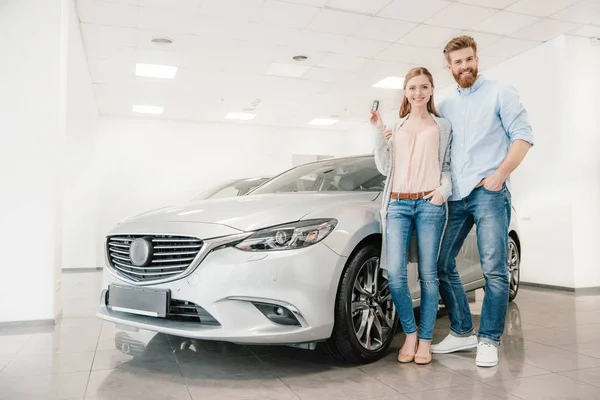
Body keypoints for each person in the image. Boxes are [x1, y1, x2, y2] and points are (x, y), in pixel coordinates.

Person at [430, 36, 534, 367]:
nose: (465, 67)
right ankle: (462, 331)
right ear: (449, 68)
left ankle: (488, 339)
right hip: (457, 196)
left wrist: (500, 174)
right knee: (441, 264)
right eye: (458, 62)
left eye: (469, 60)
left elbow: (523, 136)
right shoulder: (446, 104)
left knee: (494, 269)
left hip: (489, 191)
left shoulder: (501, 92)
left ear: (477, 59)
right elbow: (429, 137)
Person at [371, 67, 452, 365]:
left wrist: (443, 190)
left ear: (431, 90)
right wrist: (377, 131)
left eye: (424, 87)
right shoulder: (398, 125)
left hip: (430, 203)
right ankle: (410, 333)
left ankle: (426, 339)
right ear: (405, 92)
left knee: (429, 276)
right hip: (398, 205)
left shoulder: (442, 126)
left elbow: (447, 166)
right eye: (412, 88)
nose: (418, 92)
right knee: (394, 274)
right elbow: (384, 167)